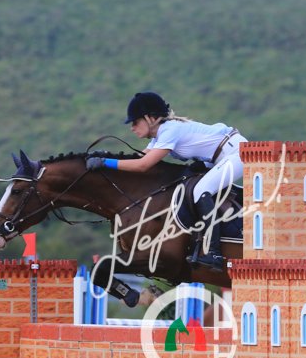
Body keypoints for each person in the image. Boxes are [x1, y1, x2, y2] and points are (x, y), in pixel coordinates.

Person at [86, 92, 247, 272]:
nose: (132, 128)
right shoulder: (159, 135)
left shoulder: (170, 130)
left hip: (235, 153)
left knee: (200, 191)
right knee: (197, 187)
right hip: (217, 157)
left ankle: (214, 253)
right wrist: (106, 157)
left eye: (135, 122)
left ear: (150, 118)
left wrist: (105, 163)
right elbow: (140, 157)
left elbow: (143, 166)